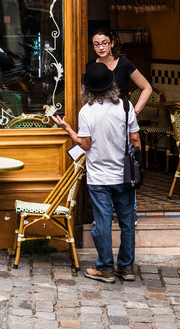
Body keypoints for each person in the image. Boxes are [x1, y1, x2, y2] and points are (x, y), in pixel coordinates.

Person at [53, 63, 141, 283]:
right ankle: (126, 267)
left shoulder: (87, 111)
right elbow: (135, 140)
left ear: (88, 89)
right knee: (127, 222)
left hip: (99, 177)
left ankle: (105, 268)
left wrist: (68, 129)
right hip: (124, 175)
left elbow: (85, 144)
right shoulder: (126, 107)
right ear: (112, 84)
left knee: (102, 223)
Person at [89, 28, 152, 223]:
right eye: (97, 44)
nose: (101, 47)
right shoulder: (91, 66)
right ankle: (103, 214)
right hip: (99, 121)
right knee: (102, 162)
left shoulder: (124, 64)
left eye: (105, 43)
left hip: (122, 119)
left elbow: (147, 88)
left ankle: (130, 211)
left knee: (127, 163)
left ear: (112, 43)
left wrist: (135, 111)